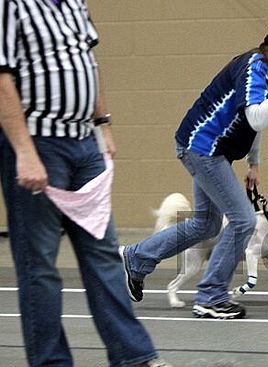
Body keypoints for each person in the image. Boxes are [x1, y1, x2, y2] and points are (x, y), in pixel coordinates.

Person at [0, 1, 170, 366]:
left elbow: (89, 63)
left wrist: (102, 124)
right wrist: (24, 151)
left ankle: (134, 356)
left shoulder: (75, 3)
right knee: (40, 267)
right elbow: (1, 79)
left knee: (104, 256)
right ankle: (51, 362)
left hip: (84, 146)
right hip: (38, 142)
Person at [119, 11, 268, 319]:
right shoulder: (256, 67)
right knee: (243, 221)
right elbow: (256, 116)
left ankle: (136, 257)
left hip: (210, 150)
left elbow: (253, 124)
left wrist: (254, 162)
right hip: (201, 148)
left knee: (207, 224)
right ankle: (211, 296)